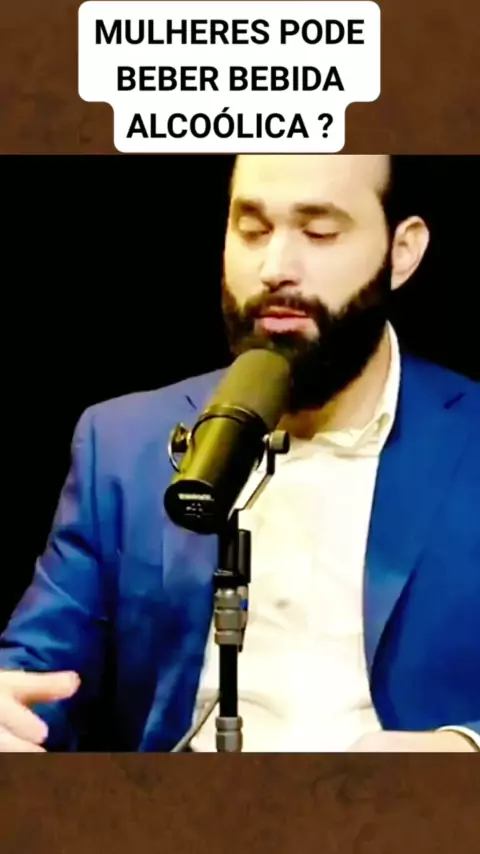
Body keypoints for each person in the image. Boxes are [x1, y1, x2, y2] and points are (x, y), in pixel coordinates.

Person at [0, 154, 478, 753]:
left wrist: (465, 748)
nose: (275, 268)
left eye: (319, 232)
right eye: (252, 230)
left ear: (401, 251)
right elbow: (37, 676)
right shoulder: (122, 443)